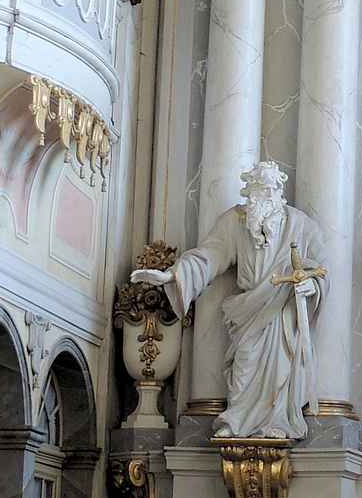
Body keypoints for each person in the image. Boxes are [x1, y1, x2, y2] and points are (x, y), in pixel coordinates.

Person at [131, 160, 327, 440]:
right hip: (248, 312)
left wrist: (312, 285)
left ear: (279, 191)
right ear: (248, 191)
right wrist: (172, 275)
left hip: (280, 313)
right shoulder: (235, 221)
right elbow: (210, 255)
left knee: (279, 371)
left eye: (270, 189)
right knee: (244, 367)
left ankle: (278, 422)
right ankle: (237, 422)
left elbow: (320, 268)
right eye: (258, 188)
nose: (264, 194)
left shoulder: (301, 226)